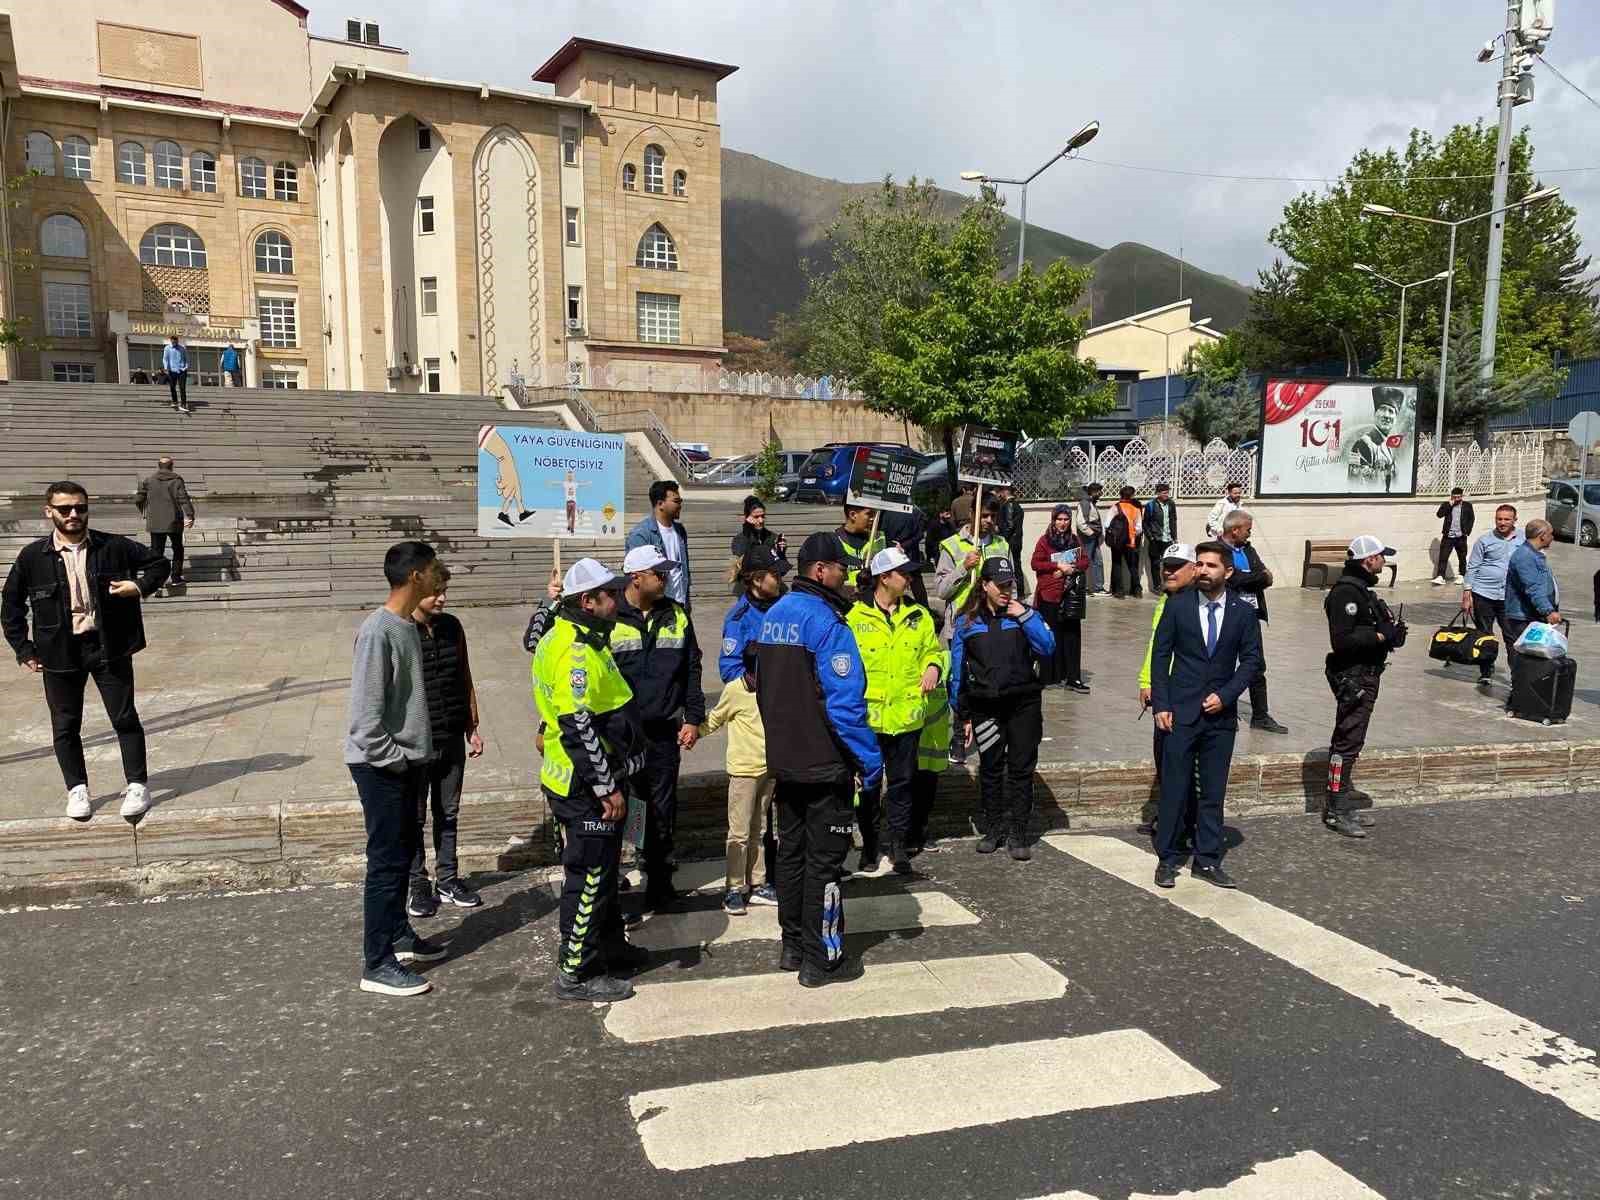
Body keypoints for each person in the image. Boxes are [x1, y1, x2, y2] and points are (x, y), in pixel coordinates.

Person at [756, 532, 882, 988]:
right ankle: (822, 958)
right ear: (821, 571)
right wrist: (870, 762)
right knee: (825, 865)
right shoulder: (828, 623)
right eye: (842, 569)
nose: (847, 578)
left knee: (791, 855)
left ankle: (792, 945)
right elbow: (844, 706)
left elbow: (760, 686)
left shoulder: (773, 616)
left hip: (785, 760)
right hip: (825, 763)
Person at [2, 481, 170, 822]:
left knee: (124, 718)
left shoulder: (113, 546)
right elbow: (11, 606)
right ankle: (77, 788)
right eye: (65, 509)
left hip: (109, 646)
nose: (73, 514)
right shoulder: (32, 557)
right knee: (65, 725)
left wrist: (138, 586)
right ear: (49, 511)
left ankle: (137, 784)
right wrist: (24, 649)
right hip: (58, 652)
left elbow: (158, 563)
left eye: (80, 507)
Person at [531, 557, 647, 1003]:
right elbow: (577, 725)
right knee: (590, 878)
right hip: (585, 787)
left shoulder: (576, 635)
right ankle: (576, 970)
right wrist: (606, 787)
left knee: (606, 872)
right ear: (588, 602)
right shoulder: (574, 651)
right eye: (609, 595)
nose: (617, 600)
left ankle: (611, 948)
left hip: (593, 778)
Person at [342, 542, 447, 997]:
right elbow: (365, 722)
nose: (439, 578)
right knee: (385, 864)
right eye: (433, 569)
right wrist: (398, 762)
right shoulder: (377, 631)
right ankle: (378, 963)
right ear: (415, 576)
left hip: (406, 763)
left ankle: (399, 935)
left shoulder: (407, 626)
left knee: (403, 856)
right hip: (382, 765)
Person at [1150, 541, 1264, 889]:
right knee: (1174, 788)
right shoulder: (1178, 606)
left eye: (1210, 565)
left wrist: (1227, 695)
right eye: (1199, 564)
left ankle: (1207, 859)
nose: (1202, 570)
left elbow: (1252, 661)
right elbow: (1160, 656)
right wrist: (1162, 705)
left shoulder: (1243, 612)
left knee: (1212, 791)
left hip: (1220, 718)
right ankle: (1167, 858)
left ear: (1227, 571)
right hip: (1180, 713)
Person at [610, 544, 706, 913]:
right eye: (658, 572)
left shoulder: (676, 614)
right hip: (622, 735)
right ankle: (630, 866)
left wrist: (693, 717)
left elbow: (691, 668)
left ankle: (660, 881)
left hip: (664, 733)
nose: (665, 578)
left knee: (663, 808)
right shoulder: (610, 614)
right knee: (630, 806)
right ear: (636, 577)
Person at [847, 546, 947, 875]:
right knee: (868, 787)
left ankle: (898, 845)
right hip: (869, 720)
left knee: (903, 785)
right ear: (884, 578)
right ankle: (870, 846)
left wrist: (933, 667)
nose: (909, 579)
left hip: (907, 718)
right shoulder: (854, 617)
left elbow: (933, 651)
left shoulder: (918, 615)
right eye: (903, 574)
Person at [951, 557, 1055, 860]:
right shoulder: (967, 622)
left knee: (1021, 769)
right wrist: (962, 713)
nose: (1006, 591)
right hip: (986, 707)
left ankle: (1019, 831)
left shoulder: (1024, 614)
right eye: (1000, 585)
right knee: (991, 768)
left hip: (1024, 705)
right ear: (985, 585)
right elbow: (957, 672)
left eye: (1010, 584)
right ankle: (993, 828)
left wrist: (1025, 615)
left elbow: (1048, 647)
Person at [404, 566, 485, 920]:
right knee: (414, 816)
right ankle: (417, 883)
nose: (442, 598)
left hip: (451, 734)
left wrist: (472, 726)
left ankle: (448, 878)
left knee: (448, 812)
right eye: (435, 592)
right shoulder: (399, 630)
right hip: (415, 742)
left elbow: (463, 675)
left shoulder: (452, 627)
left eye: (444, 591)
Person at [1323, 535, 1407, 839]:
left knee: (1352, 740)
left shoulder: (1361, 590)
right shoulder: (1346, 592)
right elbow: (1342, 641)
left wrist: (1392, 634)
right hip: (1354, 676)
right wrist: (1380, 636)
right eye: (1381, 556)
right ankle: (1336, 809)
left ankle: (1342, 801)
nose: (1384, 561)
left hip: (1368, 673)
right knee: (1346, 742)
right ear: (1368, 559)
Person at [933, 497, 1010, 764]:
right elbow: (942, 590)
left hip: (992, 627)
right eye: (984, 515)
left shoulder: (1002, 545)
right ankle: (958, 737)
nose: (988, 521)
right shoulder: (952, 545)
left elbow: (1010, 584)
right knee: (959, 683)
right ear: (973, 513)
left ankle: (993, 736)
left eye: (993, 517)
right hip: (961, 627)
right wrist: (963, 567)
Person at [698, 668, 777, 916]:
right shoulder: (734, 690)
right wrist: (693, 733)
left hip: (768, 770)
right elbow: (716, 718)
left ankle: (758, 883)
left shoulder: (772, 686)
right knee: (739, 833)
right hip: (743, 772)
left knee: (759, 830)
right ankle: (733, 888)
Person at [1136, 543, 1198, 837]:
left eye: (1176, 567)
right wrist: (1146, 681)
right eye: (1166, 567)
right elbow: (1155, 647)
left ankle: (1183, 823)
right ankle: (1171, 817)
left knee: (1180, 762)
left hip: (1184, 692)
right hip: (1163, 690)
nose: (1169, 572)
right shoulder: (1166, 600)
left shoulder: (1196, 603)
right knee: (1164, 758)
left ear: (1194, 569)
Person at [1219, 510, 1288, 734]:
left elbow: (1265, 576)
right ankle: (1223, 712)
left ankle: (1260, 715)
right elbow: (1233, 580)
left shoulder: (1248, 549)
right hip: (1226, 616)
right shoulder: (1217, 551)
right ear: (1235, 530)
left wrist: (1252, 578)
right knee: (1223, 664)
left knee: (1256, 666)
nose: (1250, 534)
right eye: (1247, 530)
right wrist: (1256, 577)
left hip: (1250, 616)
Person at [1029, 504, 1090, 693]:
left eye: (1066, 519)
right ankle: (1049, 675)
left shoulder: (1074, 540)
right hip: (1049, 595)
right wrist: (1056, 566)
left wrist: (1070, 569)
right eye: (1059, 519)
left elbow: (1085, 560)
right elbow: (1035, 563)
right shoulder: (1044, 541)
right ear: (1053, 520)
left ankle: (1072, 677)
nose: (1062, 523)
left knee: (1072, 636)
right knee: (1050, 635)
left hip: (1070, 596)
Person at [1462, 504, 1523, 687]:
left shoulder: (1523, 539)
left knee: (1512, 637)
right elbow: (1473, 567)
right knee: (1485, 635)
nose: (1502, 522)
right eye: (1499, 519)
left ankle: (1516, 676)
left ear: (1514, 520)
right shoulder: (1484, 540)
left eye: (1506, 519)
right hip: (1483, 594)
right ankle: (1486, 672)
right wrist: (1467, 593)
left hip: (1510, 597)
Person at [1504, 518, 1561, 682]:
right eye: (1550, 534)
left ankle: (1531, 692)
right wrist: (1548, 611)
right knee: (1526, 661)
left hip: (1533, 615)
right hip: (1523, 617)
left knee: (1535, 662)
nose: (1552, 538)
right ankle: (1521, 693)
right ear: (1542, 536)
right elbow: (1533, 588)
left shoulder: (1534, 554)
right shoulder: (1525, 557)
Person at [625, 480, 690, 607]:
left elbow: (682, 571)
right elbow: (636, 575)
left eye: (680, 501)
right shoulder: (641, 534)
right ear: (660, 504)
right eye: (676, 501)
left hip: (681, 605)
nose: (680, 505)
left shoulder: (680, 530)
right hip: (656, 607)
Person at [134, 456, 195, 586]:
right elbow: (183, 499)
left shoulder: (149, 480)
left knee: (156, 551)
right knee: (177, 548)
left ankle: (155, 580)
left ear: (159, 466)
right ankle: (176, 577)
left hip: (155, 521)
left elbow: (138, 499)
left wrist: (144, 511)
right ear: (171, 466)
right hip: (174, 521)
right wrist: (190, 515)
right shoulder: (177, 480)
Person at [729, 495, 787, 595]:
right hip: (748, 591)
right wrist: (747, 531)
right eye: (756, 517)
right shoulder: (740, 539)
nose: (761, 520)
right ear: (746, 518)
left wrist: (781, 553)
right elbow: (744, 566)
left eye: (763, 516)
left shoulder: (773, 538)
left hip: (771, 590)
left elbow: (782, 571)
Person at [1107, 485, 1143, 598]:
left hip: (1117, 541)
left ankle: (1119, 591)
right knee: (1133, 566)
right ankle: (1137, 591)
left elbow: (1107, 524)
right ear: (1132, 496)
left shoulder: (1115, 507)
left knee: (1117, 565)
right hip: (1131, 541)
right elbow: (1139, 529)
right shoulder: (1136, 509)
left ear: (1120, 495)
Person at [1433, 488, 1475, 585]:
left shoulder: (1467, 505)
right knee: (1443, 557)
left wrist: (1467, 531)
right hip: (1448, 536)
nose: (1456, 499)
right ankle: (1440, 576)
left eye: (1458, 497)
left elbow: (1471, 518)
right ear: (1451, 496)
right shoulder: (1446, 504)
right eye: (1454, 497)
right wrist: (1449, 505)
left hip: (1461, 536)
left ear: (1462, 496)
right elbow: (1439, 515)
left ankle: (1462, 575)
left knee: (1462, 557)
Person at [1143, 482, 1178, 593]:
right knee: (1155, 564)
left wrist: (1175, 537)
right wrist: (1151, 538)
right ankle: (1157, 586)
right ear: (1158, 493)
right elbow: (1145, 523)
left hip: (1168, 539)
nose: (1166, 495)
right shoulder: (1151, 505)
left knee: (1169, 564)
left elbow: (1173, 520)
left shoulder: (1171, 504)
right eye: (1164, 493)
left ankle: (1168, 585)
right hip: (1156, 539)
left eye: (1167, 492)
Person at [994, 484, 1027, 599]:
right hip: (1016, 541)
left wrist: (1002, 538)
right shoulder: (1016, 505)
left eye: (1000, 491)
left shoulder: (1009, 505)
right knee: (1016, 565)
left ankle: (1017, 593)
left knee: (1012, 566)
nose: (999, 494)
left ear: (1005, 491)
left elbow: (1009, 525)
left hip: (1011, 542)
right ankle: (1020, 592)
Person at [835, 502, 874, 597]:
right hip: (845, 601)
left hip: (872, 601)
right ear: (853, 515)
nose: (873, 518)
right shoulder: (834, 541)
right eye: (869, 514)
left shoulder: (879, 539)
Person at [1075, 482, 1106, 593]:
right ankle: (1084, 588)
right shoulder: (1085, 503)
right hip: (1087, 539)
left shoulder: (1090, 503)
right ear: (1093, 492)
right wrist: (1091, 534)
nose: (1101, 494)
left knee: (1098, 562)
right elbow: (1081, 523)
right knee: (1085, 563)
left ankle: (1098, 588)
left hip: (1092, 538)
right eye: (1099, 491)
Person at [162, 335, 191, 414]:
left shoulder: (182, 348)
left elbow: (186, 358)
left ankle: (183, 404)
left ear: (177, 341)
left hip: (182, 370)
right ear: (171, 340)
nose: (175, 342)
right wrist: (166, 368)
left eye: (176, 341)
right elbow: (165, 359)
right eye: (173, 341)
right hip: (172, 371)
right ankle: (175, 401)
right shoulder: (167, 348)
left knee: (182, 388)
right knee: (172, 386)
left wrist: (186, 367)